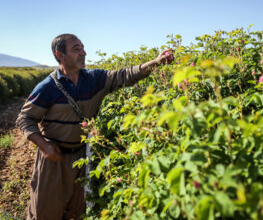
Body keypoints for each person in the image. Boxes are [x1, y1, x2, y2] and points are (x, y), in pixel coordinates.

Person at [16, 33, 173, 220]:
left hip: (81, 157)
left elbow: (125, 75)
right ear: (60, 55)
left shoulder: (94, 79)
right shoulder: (47, 87)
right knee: (45, 213)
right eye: (76, 49)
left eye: (82, 47)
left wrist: (155, 62)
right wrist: (44, 146)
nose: (83, 52)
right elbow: (24, 118)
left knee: (76, 212)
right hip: (53, 160)